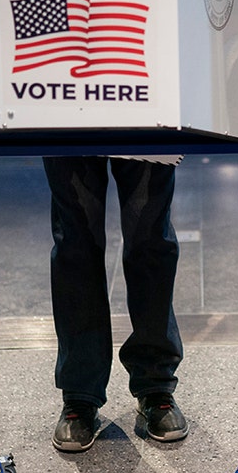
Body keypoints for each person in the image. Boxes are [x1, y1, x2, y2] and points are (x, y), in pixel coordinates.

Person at [43, 156, 188, 452]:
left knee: (149, 235)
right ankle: (80, 392)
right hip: (66, 113)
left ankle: (155, 383)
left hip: (147, 114)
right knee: (75, 240)